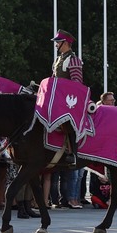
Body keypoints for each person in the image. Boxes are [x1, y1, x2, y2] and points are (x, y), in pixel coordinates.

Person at [51, 29, 83, 165]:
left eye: (58, 42)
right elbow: (53, 79)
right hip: (57, 97)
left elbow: (77, 83)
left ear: (66, 43)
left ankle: (73, 153)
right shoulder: (58, 60)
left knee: (68, 121)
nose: (56, 44)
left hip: (69, 99)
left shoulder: (74, 60)